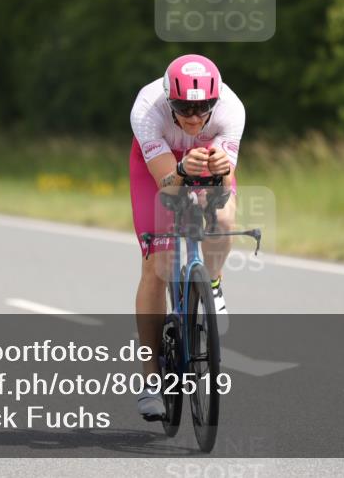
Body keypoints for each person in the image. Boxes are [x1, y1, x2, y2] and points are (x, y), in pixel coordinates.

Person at [129, 54, 245, 420]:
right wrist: (180, 169)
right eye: (184, 109)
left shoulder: (231, 109)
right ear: (168, 99)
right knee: (156, 266)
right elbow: (167, 184)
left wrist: (221, 172)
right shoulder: (148, 109)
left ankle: (211, 282)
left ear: (215, 101)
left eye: (202, 110)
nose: (194, 119)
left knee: (223, 220)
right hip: (160, 170)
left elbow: (222, 189)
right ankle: (150, 380)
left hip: (207, 162)